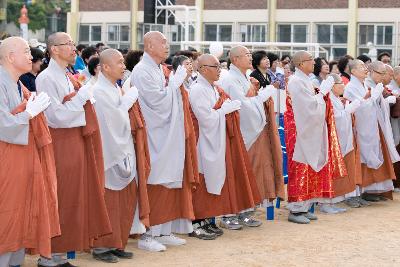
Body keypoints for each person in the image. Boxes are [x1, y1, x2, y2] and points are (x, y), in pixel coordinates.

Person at [36, 32, 112, 267]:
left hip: (75, 138)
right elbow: (55, 116)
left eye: (72, 43)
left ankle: (60, 254)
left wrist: (82, 99)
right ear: (53, 49)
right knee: (61, 196)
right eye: (66, 44)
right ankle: (49, 256)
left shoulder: (68, 75)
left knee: (73, 196)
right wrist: (81, 100)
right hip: (61, 141)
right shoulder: (46, 77)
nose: (72, 48)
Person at [131, 31, 198, 252]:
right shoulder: (142, 70)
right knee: (153, 181)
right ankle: (147, 234)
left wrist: (175, 83)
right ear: (149, 45)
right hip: (154, 135)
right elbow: (156, 102)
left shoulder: (160, 68)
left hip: (167, 134)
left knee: (169, 180)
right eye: (163, 42)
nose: (167, 45)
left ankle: (164, 231)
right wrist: (174, 84)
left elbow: (167, 97)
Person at [0, 36, 57, 267]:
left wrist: (32, 106)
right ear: (11, 57)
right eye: (25, 51)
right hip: (7, 158)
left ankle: (15, 260)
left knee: (22, 209)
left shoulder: (19, 84)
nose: (31, 56)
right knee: (7, 210)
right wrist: (28, 113)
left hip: (22, 157)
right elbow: (2, 123)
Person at [189, 53, 262, 236]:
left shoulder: (212, 87)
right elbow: (206, 119)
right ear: (204, 69)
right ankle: (197, 222)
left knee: (211, 180)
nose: (220, 71)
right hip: (203, 141)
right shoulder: (198, 89)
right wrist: (223, 110)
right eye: (216, 67)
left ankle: (206, 218)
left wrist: (225, 108)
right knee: (202, 179)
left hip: (215, 138)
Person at [91, 49, 149, 263]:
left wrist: (124, 102)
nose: (123, 66)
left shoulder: (113, 88)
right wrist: (126, 103)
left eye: (123, 62)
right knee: (109, 202)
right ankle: (101, 247)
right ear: (105, 67)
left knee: (123, 202)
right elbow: (113, 122)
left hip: (122, 150)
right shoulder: (99, 91)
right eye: (119, 62)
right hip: (110, 155)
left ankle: (116, 242)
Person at [220, 45, 283, 223]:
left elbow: (249, 101)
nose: (250, 57)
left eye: (249, 54)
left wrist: (262, 95)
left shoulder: (245, 76)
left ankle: (245, 210)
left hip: (251, 131)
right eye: (246, 55)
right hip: (241, 132)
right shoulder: (231, 79)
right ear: (235, 59)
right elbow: (243, 106)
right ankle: (230, 214)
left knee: (251, 171)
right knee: (237, 172)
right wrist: (265, 94)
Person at [285, 50, 344, 224]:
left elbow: (313, 104)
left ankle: (305, 206)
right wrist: (322, 93)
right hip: (299, 131)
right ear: (300, 64)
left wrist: (320, 94)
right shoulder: (295, 81)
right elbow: (307, 107)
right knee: (300, 168)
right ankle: (295, 209)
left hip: (309, 129)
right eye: (310, 60)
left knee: (310, 167)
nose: (313, 62)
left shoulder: (306, 81)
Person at [344, 60, 399, 202]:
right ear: (353, 71)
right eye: (361, 67)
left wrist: (382, 101)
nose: (365, 69)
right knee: (360, 159)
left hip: (372, 126)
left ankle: (368, 191)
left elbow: (374, 105)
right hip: (359, 128)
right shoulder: (351, 87)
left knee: (371, 157)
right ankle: (359, 192)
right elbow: (359, 107)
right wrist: (374, 98)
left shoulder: (365, 85)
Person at [325, 73, 365, 211]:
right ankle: (328, 202)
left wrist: (348, 109)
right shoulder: (329, 99)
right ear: (332, 86)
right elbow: (334, 118)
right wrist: (349, 109)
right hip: (334, 141)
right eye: (340, 83)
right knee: (332, 168)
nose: (343, 86)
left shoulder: (336, 99)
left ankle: (335, 200)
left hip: (343, 138)